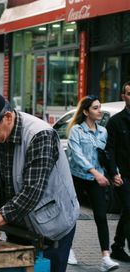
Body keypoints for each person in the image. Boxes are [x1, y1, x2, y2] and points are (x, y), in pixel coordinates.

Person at [0, 89, 79, 272]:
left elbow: (31, 192)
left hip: (52, 227)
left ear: (7, 117)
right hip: (17, 225)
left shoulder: (40, 135)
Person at [67, 95, 119, 271]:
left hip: (95, 179)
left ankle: (106, 257)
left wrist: (114, 173)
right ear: (85, 111)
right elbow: (77, 155)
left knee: (101, 216)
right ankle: (68, 249)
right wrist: (95, 172)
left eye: (100, 107)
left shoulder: (103, 131)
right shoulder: (76, 131)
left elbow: (107, 156)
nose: (99, 111)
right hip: (77, 177)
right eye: (95, 108)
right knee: (72, 215)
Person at [106, 81, 130, 262]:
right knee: (129, 208)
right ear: (123, 96)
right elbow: (110, 150)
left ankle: (117, 246)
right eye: (129, 93)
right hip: (123, 176)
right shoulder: (115, 121)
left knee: (128, 211)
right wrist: (114, 173)